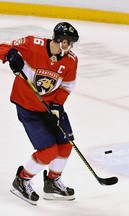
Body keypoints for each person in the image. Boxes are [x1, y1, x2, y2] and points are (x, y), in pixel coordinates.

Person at [0, 22, 79, 205]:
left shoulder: (71, 60)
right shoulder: (31, 44)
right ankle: (21, 180)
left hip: (50, 107)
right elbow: (2, 48)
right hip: (28, 107)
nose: (71, 47)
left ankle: (52, 182)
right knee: (49, 151)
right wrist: (10, 54)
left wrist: (57, 106)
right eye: (69, 43)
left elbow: (67, 85)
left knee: (66, 145)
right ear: (61, 41)